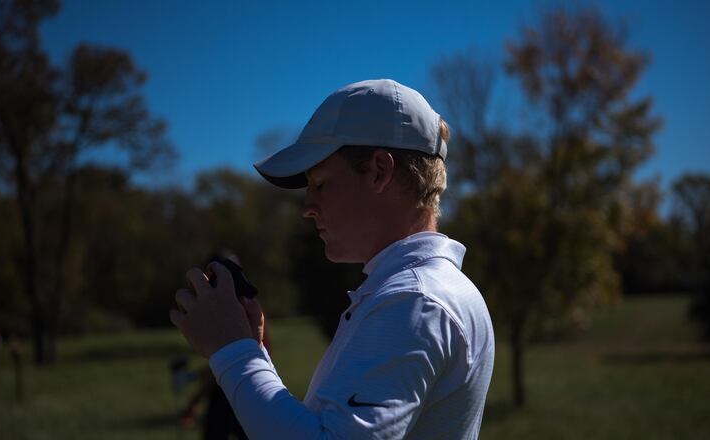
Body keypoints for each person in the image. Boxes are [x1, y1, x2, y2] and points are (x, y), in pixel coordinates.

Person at [171, 79, 495, 439]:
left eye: (320, 184)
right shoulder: (423, 290)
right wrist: (252, 352)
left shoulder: (413, 302)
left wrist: (232, 351)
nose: (307, 208)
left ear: (379, 171)